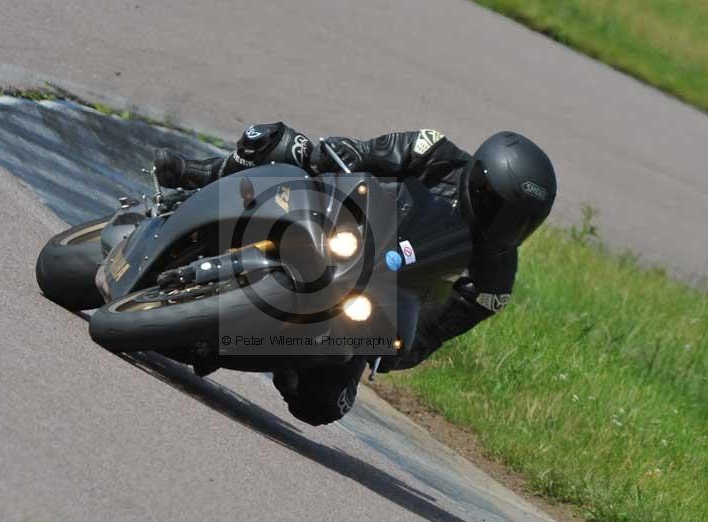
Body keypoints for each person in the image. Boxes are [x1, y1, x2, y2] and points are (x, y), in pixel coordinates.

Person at [153, 122, 557, 425]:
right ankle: (199, 175)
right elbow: (370, 153)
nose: (505, 227)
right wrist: (344, 152)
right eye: (499, 209)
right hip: (343, 221)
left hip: (376, 296)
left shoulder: (494, 282)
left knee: (322, 405)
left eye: (521, 223)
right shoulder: (437, 155)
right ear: (478, 180)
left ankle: (263, 349)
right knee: (280, 143)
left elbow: (433, 333)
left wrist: (388, 349)